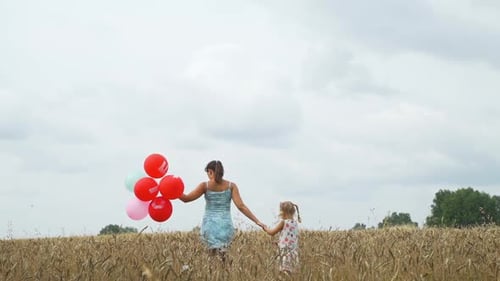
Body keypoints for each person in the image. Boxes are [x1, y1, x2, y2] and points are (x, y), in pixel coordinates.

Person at [180, 160, 265, 261]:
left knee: (210, 260)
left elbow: (186, 199)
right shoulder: (231, 186)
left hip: (209, 226)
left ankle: (212, 276)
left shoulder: (205, 186)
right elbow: (241, 206)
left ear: (210, 172)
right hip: (225, 226)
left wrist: (173, 191)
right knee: (224, 259)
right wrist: (257, 221)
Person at [263, 201, 301, 275]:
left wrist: (265, 228)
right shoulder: (295, 223)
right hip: (293, 254)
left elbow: (272, 233)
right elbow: (290, 237)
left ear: (283, 212)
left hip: (285, 253)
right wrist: (279, 243)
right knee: (291, 275)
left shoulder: (283, 222)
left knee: (283, 274)